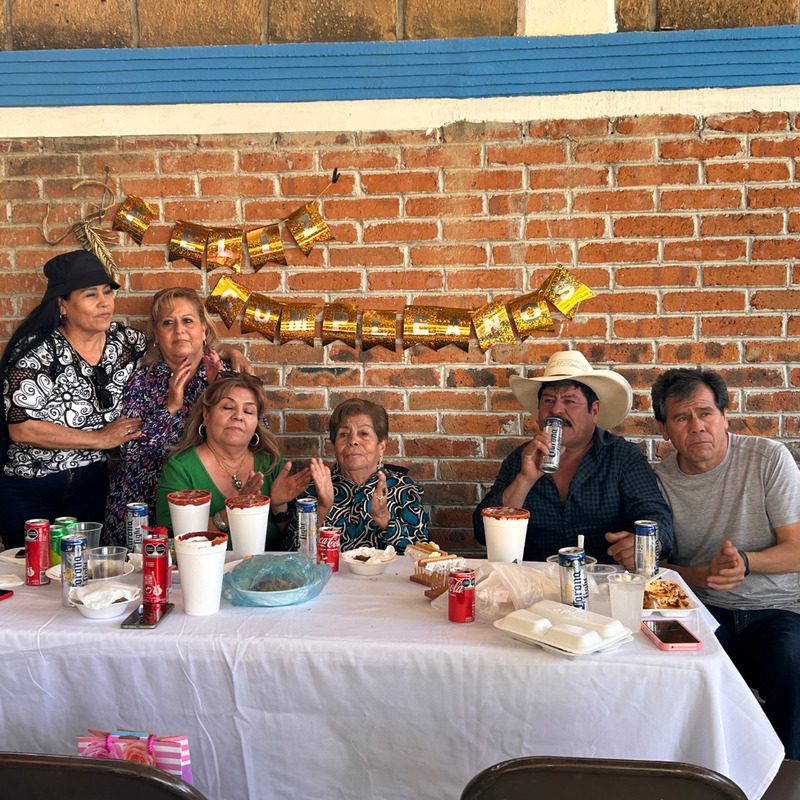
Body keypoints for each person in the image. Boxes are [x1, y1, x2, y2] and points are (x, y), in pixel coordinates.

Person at [652, 367, 800, 759]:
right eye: (681, 418)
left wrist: (746, 563)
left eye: (705, 413)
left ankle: (788, 774)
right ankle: (697, 773)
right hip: (700, 609)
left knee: (793, 663)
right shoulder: (658, 481)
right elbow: (654, 571)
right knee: (664, 668)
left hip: (777, 610)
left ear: (724, 417)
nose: (697, 426)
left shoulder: (768, 459)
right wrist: (704, 576)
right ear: (664, 431)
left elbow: (797, 550)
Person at [0, 250, 146, 549]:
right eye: (90, 294)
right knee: (36, 570)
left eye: (107, 292)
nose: (104, 302)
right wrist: (100, 439)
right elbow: (22, 428)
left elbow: (175, 344)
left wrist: (226, 351)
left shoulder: (123, 342)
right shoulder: (38, 351)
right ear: (62, 305)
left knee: (83, 569)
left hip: (90, 487)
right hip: (31, 488)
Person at [473, 349, 673, 565]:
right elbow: (482, 533)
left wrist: (645, 545)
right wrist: (524, 480)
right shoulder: (519, 460)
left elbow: (658, 519)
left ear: (594, 411)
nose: (556, 410)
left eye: (569, 400)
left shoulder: (622, 457)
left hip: (603, 580)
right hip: (534, 581)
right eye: (548, 400)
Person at [105, 287, 252, 546]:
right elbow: (129, 450)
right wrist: (171, 407)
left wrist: (220, 392)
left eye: (188, 321)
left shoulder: (226, 374)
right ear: (156, 333)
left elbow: (255, 433)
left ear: (203, 329)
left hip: (210, 502)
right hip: (143, 509)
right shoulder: (141, 380)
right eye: (168, 323)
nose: (179, 330)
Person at [155, 373, 310, 550]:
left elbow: (290, 542)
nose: (238, 416)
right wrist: (233, 510)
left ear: (256, 424)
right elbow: (174, 543)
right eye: (228, 407)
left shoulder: (270, 463)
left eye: (248, 411)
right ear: (206, 415)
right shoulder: (181, 468)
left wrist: (279, 506)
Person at [288, 398, 429, 553]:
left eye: (364, 433)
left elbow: (421, 555)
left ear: (381, 446)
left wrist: (384, 519)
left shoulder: (405, 490)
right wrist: (322, 508)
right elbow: (290, 553)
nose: (353, 440)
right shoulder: (312, 491)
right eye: (344, 434)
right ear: (334, 445)